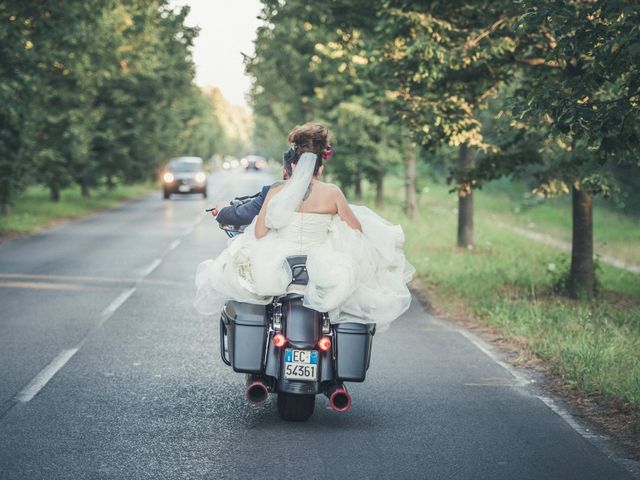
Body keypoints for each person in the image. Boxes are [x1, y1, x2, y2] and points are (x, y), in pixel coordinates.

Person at [195, 122, 414, 331]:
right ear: (320, 167)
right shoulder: (333, 193)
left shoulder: (275, 192)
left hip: (277, 268)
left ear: (292, 165)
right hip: (320, 267)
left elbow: (260, 233)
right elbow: (357, 231)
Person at [214, 149, 294, 227]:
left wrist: (222, 210)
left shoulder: (273, 192)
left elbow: (242, 215)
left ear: (285, 172)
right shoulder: (305, 194)